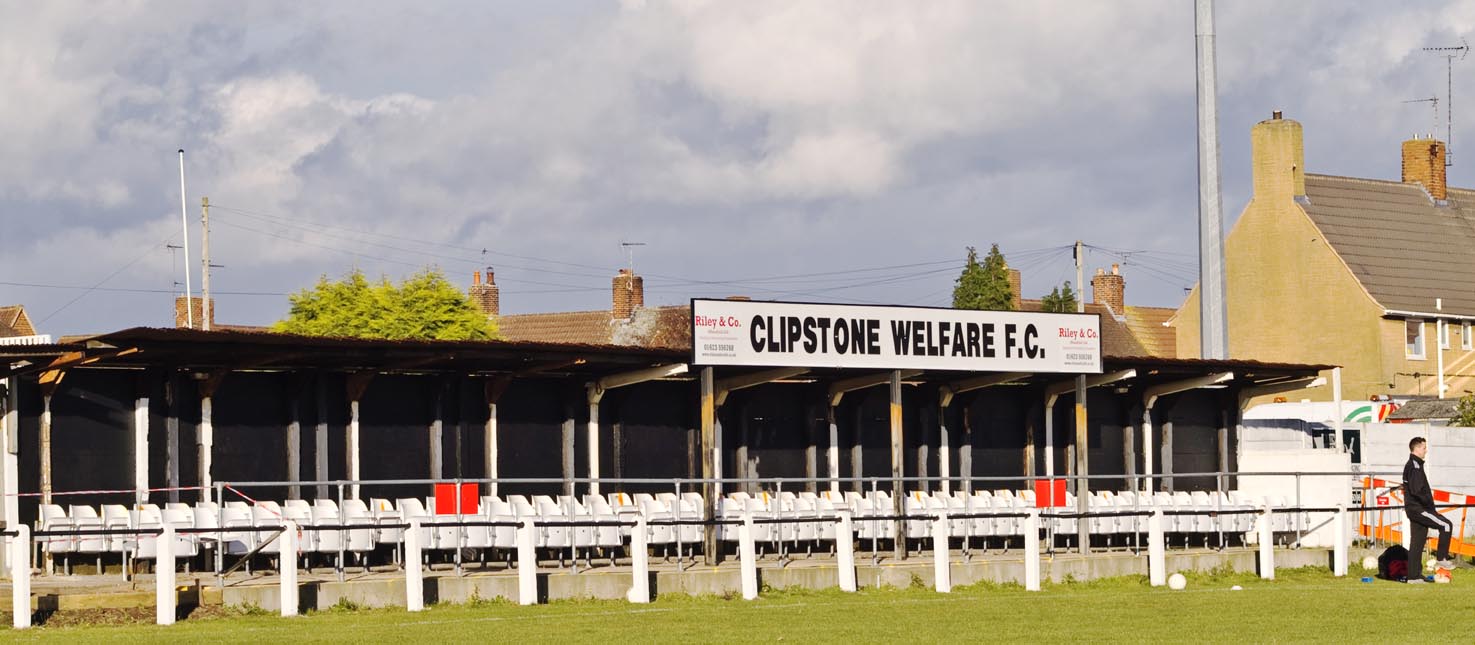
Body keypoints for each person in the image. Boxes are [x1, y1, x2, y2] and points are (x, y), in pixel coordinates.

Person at [1402, 436, 1454, 582]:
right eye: (1424, 448)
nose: (1426, 450)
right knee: (1446, 525)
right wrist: (1430, 508)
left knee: (1417, 542)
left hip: (1415, 508)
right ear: (1417, 449)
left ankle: (1413, 577)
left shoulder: (1415, 464)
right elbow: (1417, 490)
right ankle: (1442, 558)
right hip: (1419, 509)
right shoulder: (1415, 465)